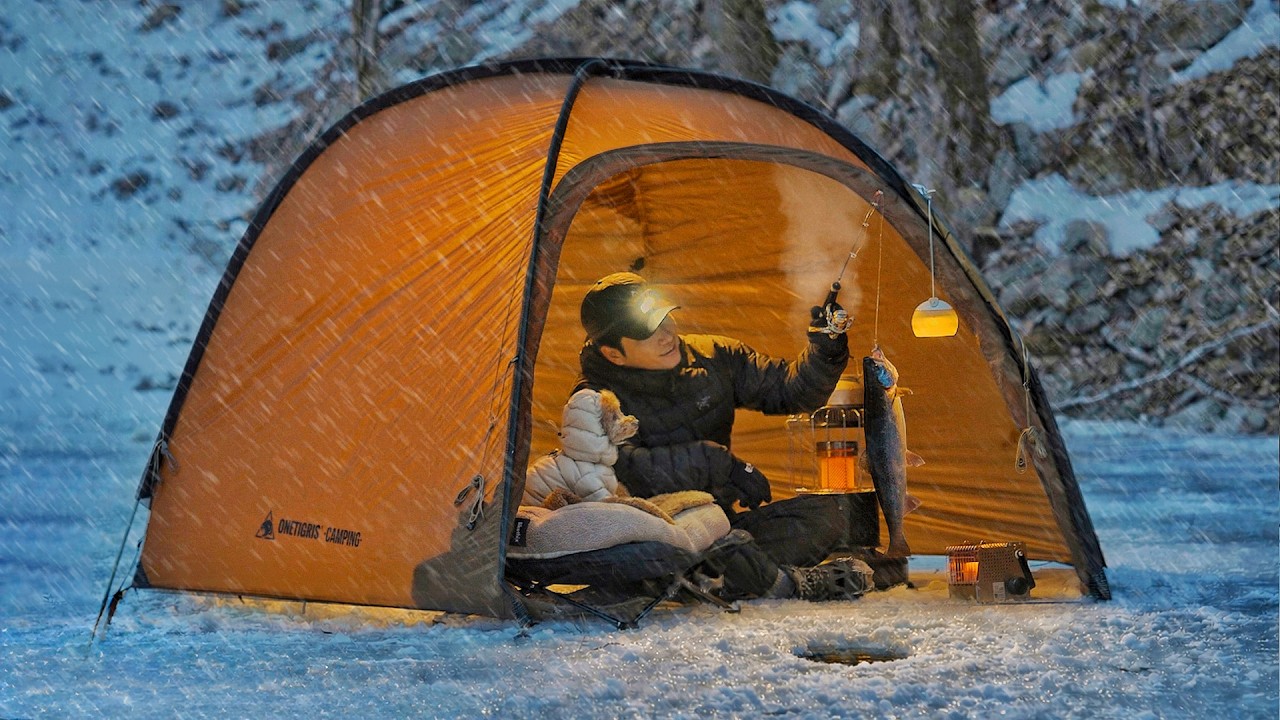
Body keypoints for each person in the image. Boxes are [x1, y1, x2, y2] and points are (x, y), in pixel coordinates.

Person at [573, 271, 872, 602]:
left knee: (840, 512)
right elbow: (626, 471)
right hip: (654, 537)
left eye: (664, 319)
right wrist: (718, 464)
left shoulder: (713, 358)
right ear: (613, 353)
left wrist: (825, 351)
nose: (666, 334)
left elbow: (789, 391)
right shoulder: (592, 401)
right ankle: (740, 576)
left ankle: (716, 577)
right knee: (675, 552)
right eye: (647, 333)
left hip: (722, 528)